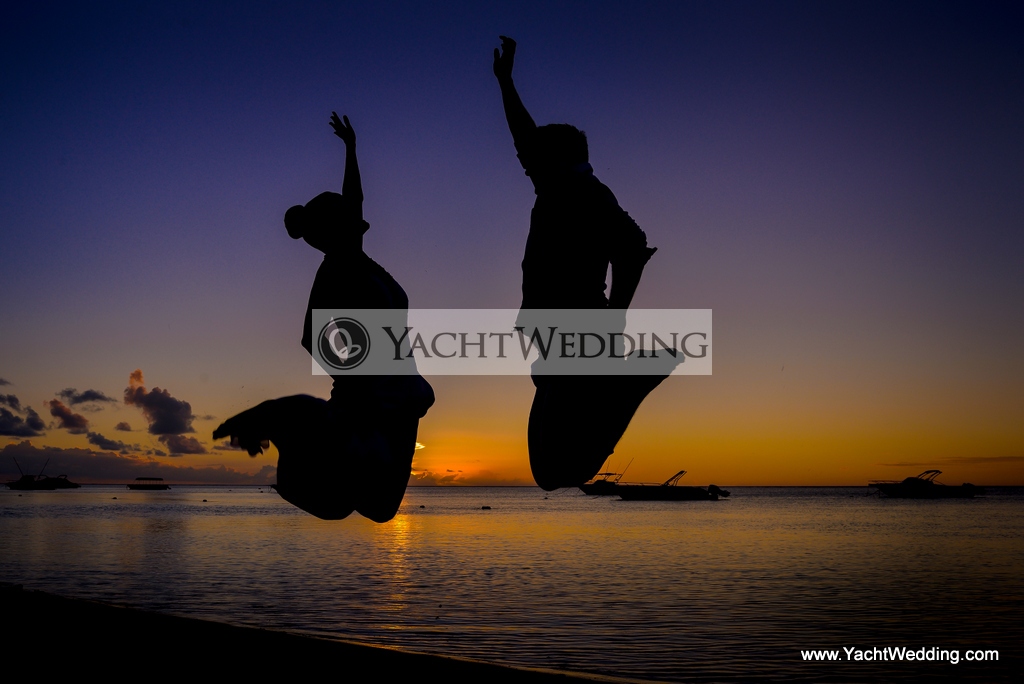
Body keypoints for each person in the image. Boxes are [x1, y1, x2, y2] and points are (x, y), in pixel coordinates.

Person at [214, 113, 434, 522]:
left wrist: (351, 148)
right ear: (336, 230)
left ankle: (302, 438)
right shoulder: (335, 270)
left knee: (380, 508)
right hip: (372, 399)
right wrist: (363, 373)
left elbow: (355, 198)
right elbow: (310, 336)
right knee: (342, 503)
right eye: (349, 219)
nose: (359, 218)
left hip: (404, 395)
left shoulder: (362, 262)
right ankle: (289, 421)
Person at [493, 36, 675, 490]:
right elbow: (525, 138)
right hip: (559, 329)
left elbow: (633, 247)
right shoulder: (562, 186)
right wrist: (506, 83)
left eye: (538, 157)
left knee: (555, 472)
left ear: (559, 159)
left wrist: (615, 318)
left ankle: (630, 383)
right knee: (549, 467)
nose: (528, 161)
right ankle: (625, 384)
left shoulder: (585, 195)